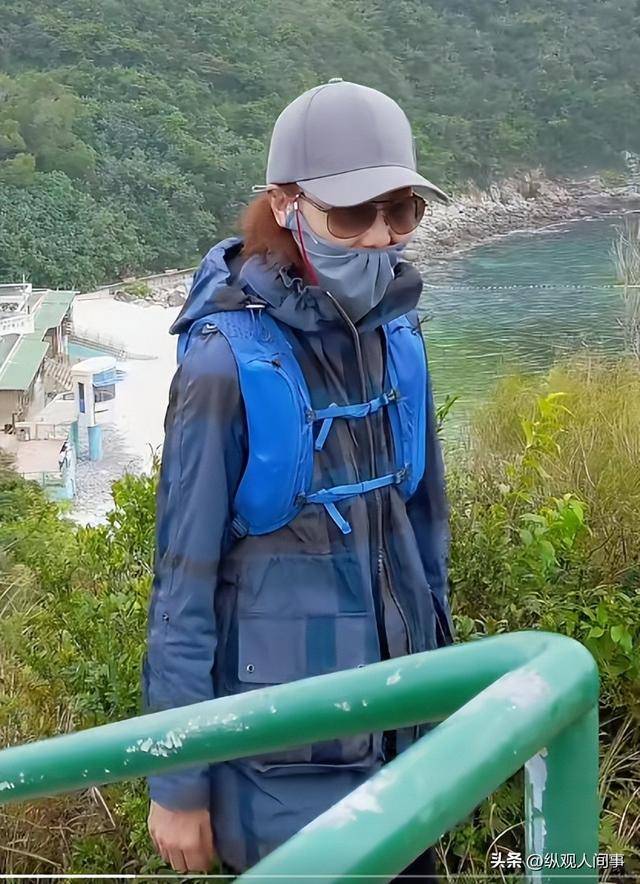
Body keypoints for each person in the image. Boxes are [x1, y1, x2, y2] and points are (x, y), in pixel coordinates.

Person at [142, 78, 455, 880]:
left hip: (409, 750)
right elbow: (183, 585)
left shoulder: (397, 339)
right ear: (286, 205)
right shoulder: (225, 366)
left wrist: (447, 702)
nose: (381, 238)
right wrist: (177, 782)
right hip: (281, 784)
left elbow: (427, 538)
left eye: (401, 211)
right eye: (353, 214)